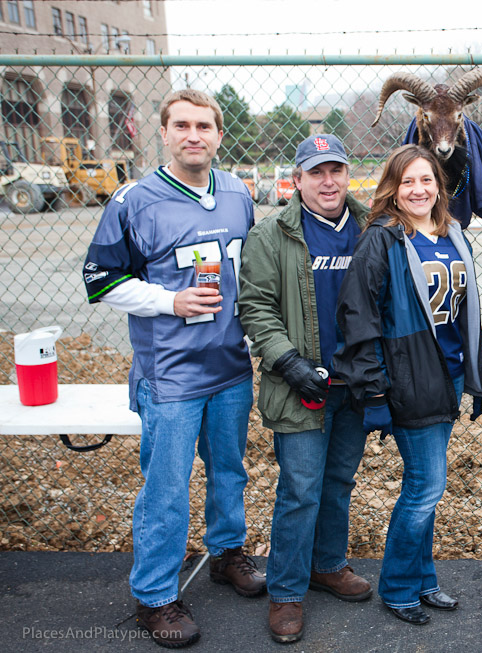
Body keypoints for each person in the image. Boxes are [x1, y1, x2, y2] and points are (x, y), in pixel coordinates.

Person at [82, 89, 265, 648]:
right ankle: (155, 595)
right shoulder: (134, 200)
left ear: (219, 135)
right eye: (181, 125)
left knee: (229, 470)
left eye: (204, 126)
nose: (193, 135)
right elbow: (100, 280)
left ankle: (226, 553)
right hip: (171, 373)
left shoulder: (236, 191)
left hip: (230, 364)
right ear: (163, 133)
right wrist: (169, 300)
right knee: (166, 488)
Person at [333, 144, 482, 626]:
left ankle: (422, 580)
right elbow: (358, 317)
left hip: (447, 375)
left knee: (427, 486)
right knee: (425, 486)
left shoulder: (452, 234)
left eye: (427, 180)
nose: (418, 190)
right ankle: (399, 586)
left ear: (439, 186)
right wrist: (376, 390)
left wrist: (475, 372)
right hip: (407, 377)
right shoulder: (382, 239)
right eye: (408, 182)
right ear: (393, 190)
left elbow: (463, 312)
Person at [238, 134, 372, 644]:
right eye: (316, 172)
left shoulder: (370, 227)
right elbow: (255, 307)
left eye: (336, 170)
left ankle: (327, 565)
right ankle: (287, 591)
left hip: (353, 384)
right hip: (300, 386)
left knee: (338, 482)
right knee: (299, 491)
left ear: (348, 174)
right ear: (297, 180)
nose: (328, 181)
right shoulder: (271, 235)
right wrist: (288, 361)